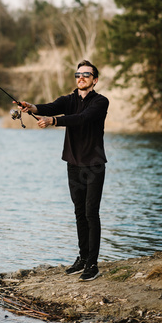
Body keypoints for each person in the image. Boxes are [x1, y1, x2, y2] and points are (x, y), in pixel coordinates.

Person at [17, 60, 109, 281]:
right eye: (78, 74)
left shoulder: (101, 102)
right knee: (79, 212)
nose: (81, 77)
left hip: (94, 165)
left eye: (86, 74)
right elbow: (49, 107)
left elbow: (82, 119)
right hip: (73, 163)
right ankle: (83, 258)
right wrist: (32, 108)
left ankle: (93, 265)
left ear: (94, 80)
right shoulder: (68, 100)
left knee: (91, 213)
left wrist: (54, 121)